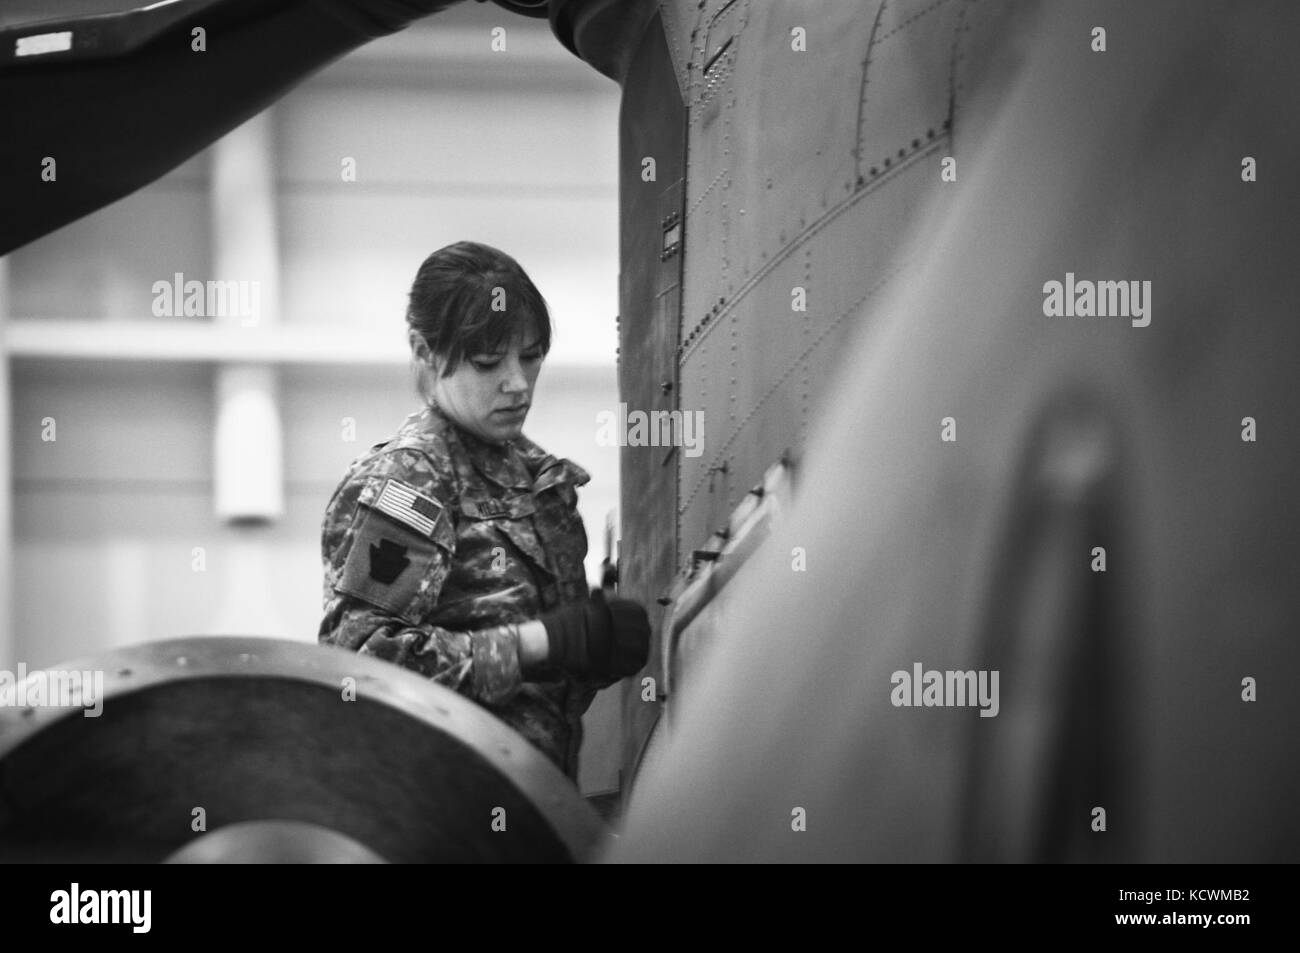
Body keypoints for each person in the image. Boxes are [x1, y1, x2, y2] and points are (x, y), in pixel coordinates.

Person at [318, 241, 649, 782]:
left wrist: (593, 651)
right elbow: (361, 667)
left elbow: (541, 693)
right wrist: (543, 642)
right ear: (425, 353)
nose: (517, 383)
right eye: (488, 362)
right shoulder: (411, 482)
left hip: (538, 805)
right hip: (441, 818)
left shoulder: (541, 481)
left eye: (532, 356)